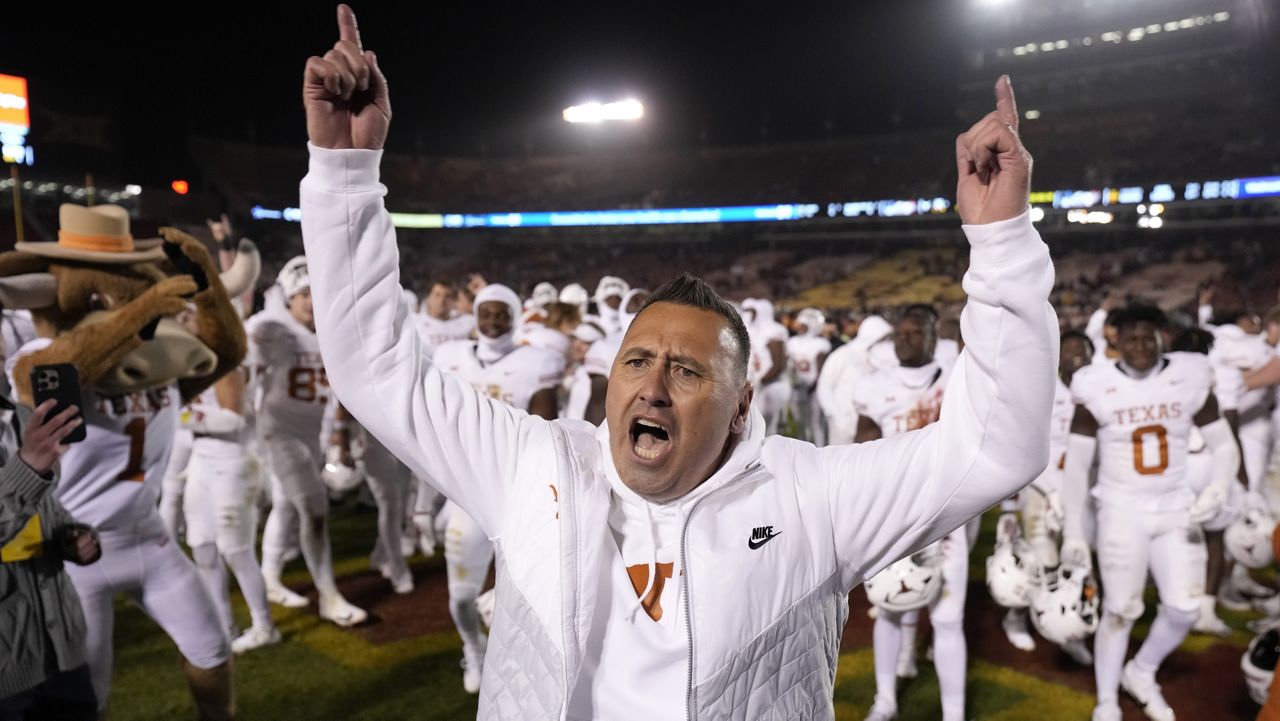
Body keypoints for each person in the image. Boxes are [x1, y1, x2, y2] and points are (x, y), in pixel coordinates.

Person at [300, 8, 1052, 716]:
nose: (652, 388)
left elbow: (994, 447)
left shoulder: (812, 498)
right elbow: (375, 364)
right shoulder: (535, 465)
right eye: (637, 361)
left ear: (743, 403)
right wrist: (343, 175)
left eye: (688, 372)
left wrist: (1003, 241)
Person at [1061, 306, 1240, 721]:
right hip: (1121, 509)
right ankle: (1106, 698)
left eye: (1148, 337)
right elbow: (1078, 465)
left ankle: (1141, 672)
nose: (1141, 346)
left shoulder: (1189, 375)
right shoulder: (1096, 385)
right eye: (1131, 338)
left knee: (1184, 608)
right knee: (1120, 609)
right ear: (1115, 342)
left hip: (1176, 507)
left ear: (1162, 338)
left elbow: (1225, 445)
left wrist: (1218, 485)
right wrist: (1073, 529)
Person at [246, 258, 367, 627]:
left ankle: (268, 577)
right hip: (278, 433)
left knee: (287, 504)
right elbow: (242, 377)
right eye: (303, 295)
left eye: (316, 293)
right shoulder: (268, 328)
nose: (312, 301)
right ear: (289, 297)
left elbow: (344, 388)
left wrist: (339, 432)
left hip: (311, 433)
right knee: (313, 508)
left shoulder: (332, 332)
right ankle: (329, 596)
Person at [0, 398, 99, 721]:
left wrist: (73, 537)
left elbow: (45, 506)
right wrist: (29, 467)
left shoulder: (22, 416)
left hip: (60, 650)